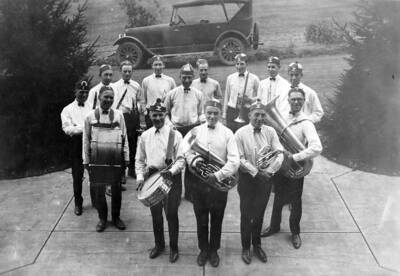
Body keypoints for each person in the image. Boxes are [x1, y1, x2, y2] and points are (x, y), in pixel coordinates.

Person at [260, 87, 322, 249]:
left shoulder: (306, 123)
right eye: (293, 99)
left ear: (303, 102)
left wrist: (294, 157)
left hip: (296, 168)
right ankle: (274, 226)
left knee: (295, 202)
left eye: (299, 100)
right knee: (278, 198)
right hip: (281, 165)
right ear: (288, 100)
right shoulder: (281, 118)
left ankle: (295, 232)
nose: (295, 102)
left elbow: (317, 148)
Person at [180, 99, 239, 267]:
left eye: (215, 113)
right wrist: (194, 159)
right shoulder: (195, 131)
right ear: (204, 114)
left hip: (219, 185)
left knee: (217, 219)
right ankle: (203, 249)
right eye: (209, 113)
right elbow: (184, 148)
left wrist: (219, 175)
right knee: (201, 219)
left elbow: (234, 161)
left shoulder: (228, 133)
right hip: (199, 183)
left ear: (220, 114)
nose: (212, 116)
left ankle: (214, 250)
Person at [235, 99, 284, 264]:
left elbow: (280, 153)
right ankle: (245, 247)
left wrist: (269, 171)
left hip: (266, 178)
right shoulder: (240, 133)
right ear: (250, 115)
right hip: (248, 180)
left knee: (259, 214)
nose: (259, 118)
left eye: (263, 115)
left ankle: (257, 245)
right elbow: (239, 158)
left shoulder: (270, 131)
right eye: (256, 114)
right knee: (246, 214)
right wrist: (256, 172)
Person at [135, 99, 185, 263]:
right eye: (154, 115)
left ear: (166, 115)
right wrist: (141, 177)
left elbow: (181, 159)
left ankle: (174, 248)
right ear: (149, 115)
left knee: (171, 214)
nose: (157, 118)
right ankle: (159, 245)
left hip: (171, 177)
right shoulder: (145, 135)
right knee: (155, 214)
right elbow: (140, 160)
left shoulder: (174, 134)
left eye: (160, 115)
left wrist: (171, 172)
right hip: (152, 178)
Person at [82, 86, 129, 232]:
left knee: (116, 190)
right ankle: (102, 218)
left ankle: (116, 217)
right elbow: (85, 140)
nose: (108, 100)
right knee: (98, 190)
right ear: (99, 98)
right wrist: (86, 160)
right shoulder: (90, 116)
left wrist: (126, 157)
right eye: (105, 97)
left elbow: (125, 137)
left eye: (111, 97)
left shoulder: (119, 115)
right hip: (97, 158)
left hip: (115, 157)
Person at [164, 63, 205, 201]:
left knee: (190, 162)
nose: (186, 80)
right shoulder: (172, 93)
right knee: (174, 160)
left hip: (191, 129)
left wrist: (202, 121)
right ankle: (173, 192)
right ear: (179, 77)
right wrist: (170, 125)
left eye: (189, 77)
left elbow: (200, 113)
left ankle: (189, 193)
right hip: (176, 129)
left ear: (193, 77)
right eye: (184, 77)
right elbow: (165, 113)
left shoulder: (198, 94)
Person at [60, 80, 93, 215]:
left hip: (91, 142)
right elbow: (68, 129)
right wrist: (85, 128)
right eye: (81, 92)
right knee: (77, 175)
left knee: (94, 173)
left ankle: (96, 200)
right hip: (77, 144)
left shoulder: (92, 107)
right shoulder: (67, 109)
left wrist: (77, 127)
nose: (84, 95)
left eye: (86, 92)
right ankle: (78, 203)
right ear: (75, 91)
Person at [112, 60, 141, 181]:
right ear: (120, 71)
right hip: (121, 117)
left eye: (129, 71)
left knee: (133, 143)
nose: (127, 74)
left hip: (133, 117)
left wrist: (137, 108)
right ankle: (122, 171)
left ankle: (132, 170)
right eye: (125, 71)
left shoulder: (136, 85)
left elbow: (139, 100)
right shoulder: (115, 86)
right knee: (122, 144)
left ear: (132, 72)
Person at [223, 53, 260, 132]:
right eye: (237, 64)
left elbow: (260, 95)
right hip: (231, 110)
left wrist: (251, 100)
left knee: (244, 133)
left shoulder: (254, 78)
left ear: (247, 64)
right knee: (230, 133)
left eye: (242, 64)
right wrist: (224, 113)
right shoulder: (230, 78)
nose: (239, 67)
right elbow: (227, 96)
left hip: (245, 110)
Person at [141, 55, 176, 128]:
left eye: (160, 64)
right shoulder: (146, 80)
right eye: (155, 65)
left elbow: (174, 98)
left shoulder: (170, 80)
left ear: (163, 66)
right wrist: (145, 112)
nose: (158, 67)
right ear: (152, 66)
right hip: (151, 113)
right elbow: (143, 99)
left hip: (164, 113)